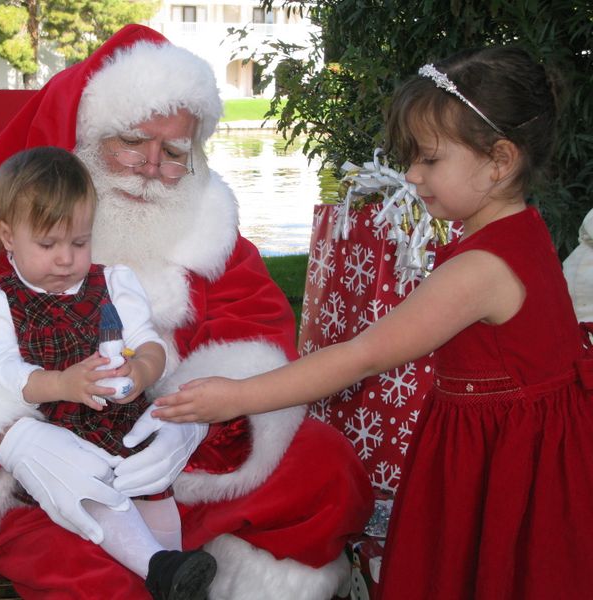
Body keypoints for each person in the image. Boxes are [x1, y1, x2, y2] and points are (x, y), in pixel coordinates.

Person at [0, 24, 373, 600]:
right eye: (133, 141)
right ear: (89, 135)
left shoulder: (210, 239)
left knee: (326, 466)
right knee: (82, 554)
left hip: (175, 461)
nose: (151, 167)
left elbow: (256, 336)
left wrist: (196, 428)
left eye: (174, 152)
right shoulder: (6, 242)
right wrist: (13, 441)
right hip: (46, 473)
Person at [152, 46, 593, 599]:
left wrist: (238, 396)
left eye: (430, 160)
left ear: (500, 160)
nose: (411, 174)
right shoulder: (523, 231)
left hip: (501, 460)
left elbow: (362, 356)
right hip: (513, 443)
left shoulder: (481, 269)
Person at [0, 146, 216, 599]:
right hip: (59, 437)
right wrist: (62, 383)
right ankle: (158, 567)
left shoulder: (114, 282)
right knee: (95, 493)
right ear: (8, 235)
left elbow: (148, 342)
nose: (66, 259)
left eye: (79, 242)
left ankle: (174, 568)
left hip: (122, 421)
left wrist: (140, 373)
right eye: (47, 245)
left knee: (152, 484)